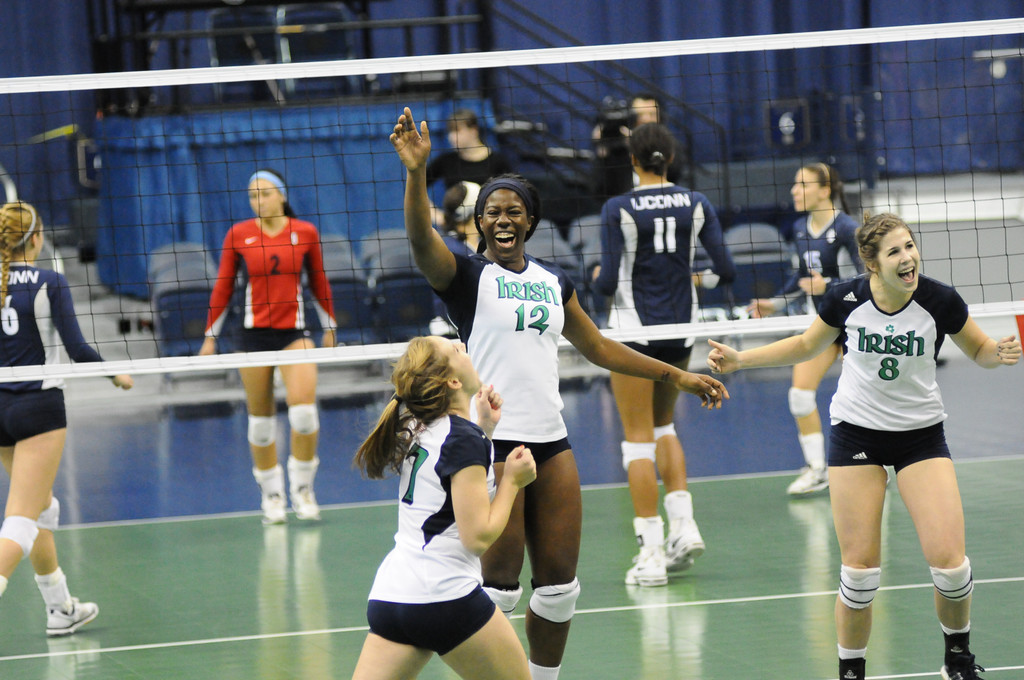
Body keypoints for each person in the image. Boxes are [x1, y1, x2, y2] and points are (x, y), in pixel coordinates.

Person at [391, 107, 728, 680]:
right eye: (492, 212)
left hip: (552, 443)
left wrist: (679, 376)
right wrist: (417, 172)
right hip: (494, 446)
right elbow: (422, 239)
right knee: (497, 589)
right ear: (479, 222)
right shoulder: (466, 277)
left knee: (559, 589)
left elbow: (599, 347)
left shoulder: (553, 281)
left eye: (513, 211)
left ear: (530, 221)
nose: (503, 219)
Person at [706, 212, 1021, 680]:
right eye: (894, 252)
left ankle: (957, 659)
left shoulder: (940, 300)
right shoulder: (846, 299)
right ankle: (851, 672)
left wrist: (998, 353)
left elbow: (978, 349)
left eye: (910, 246)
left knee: (952, 568)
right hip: (858, 433)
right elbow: (806, 346)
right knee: (859, 575)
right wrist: (740, 360)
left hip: (920, 436)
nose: (908, 257)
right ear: (872, 264)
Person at [591, 123, 735, 587]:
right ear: (670, 159)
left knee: (636, 440)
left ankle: (651, 552)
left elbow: (607, 284)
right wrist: (697, 281)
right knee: (664, 427)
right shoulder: (697, 203)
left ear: (633, 160)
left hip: (634, 334)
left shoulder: (617, 208)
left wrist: (594, 278)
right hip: (680, 331)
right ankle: (684, 527)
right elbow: (725, 270)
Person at [350, 336, 536, 680]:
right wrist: (512, 481)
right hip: (445, 596)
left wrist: (485, 429)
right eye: (455, 350)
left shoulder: (417, 426)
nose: (463, 346)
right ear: (452, 381)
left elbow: (449, 484)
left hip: (393, 597)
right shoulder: (463, 439)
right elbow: (477, 538)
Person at [0, 201, 133, 635]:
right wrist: (115, 373)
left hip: (0, 409)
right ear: (36, 239)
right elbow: (77, 348)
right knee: (22, 519)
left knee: (40, 507)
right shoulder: (49, 281)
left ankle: (60, 608)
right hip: (38, 408)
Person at [199, 169, 337, 525]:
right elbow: (223, 287)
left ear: (281, 195)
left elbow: (319, 281)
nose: (258, 201)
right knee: (261, 423)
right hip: (252, 338)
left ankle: (303, 490)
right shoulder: (238, 234)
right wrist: (210, 337)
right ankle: (272, 495)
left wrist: (330, 326)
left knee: (304, 416)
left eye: (264, 193)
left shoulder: (305, 232)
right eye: (252, 195)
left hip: (295, 333)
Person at [747, 163, 863, 496]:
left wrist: (828, 285)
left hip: (856, 325)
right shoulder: (800, 228)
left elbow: (867, 278)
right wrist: (776, 303)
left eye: (802, 184)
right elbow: (801, 279)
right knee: (799, 395)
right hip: (824, 325)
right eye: (795, 184)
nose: (794, 191)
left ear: (825, 190)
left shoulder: (847, 228)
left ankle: (875, 463)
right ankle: (817, 469)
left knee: (861, 398)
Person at [425, 109, 512, 227]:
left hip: (489, 227)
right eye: (450, 132)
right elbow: (417, 187)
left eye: (457, 131)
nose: (451, 137)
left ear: (473, 130)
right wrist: (436, 215)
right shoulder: (445, 161)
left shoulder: (497, 162)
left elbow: (512, 195)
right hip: (456, 228)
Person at [592, 93, 685, 201]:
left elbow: (674, 173)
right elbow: (600, 189)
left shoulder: (669, 143)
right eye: (639, 115)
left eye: (652, 114)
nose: (645, 119)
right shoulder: (617, 145)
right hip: (623, 202)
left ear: (660, 117)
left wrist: (637, 144)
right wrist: (603, 152)